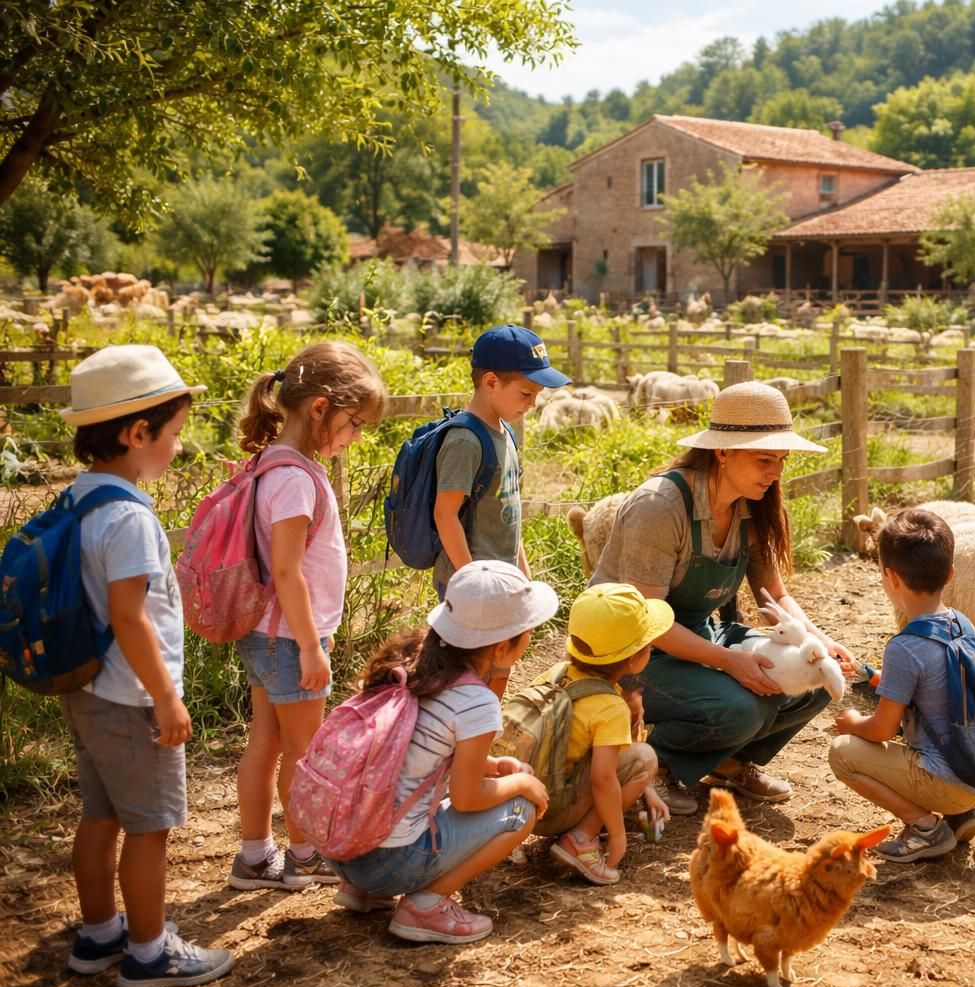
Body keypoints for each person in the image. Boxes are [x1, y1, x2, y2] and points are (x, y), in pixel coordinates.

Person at [57, 344, 233, 987]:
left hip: (88, 691)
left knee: (100, 816)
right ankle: (149, 954)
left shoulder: (77, 500)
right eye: (174, 435)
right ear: (137, 434)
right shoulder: (129, 518)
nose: (177, 449)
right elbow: (131, 617)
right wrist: (166, 696)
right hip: (133, 698)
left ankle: (99, 935)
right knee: (150, 828)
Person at [592, 381, 852, 814]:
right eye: (764, 459)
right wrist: (731, 662)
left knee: (819, 680)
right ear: (723, 452)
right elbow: (647, 622)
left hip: (696, 637)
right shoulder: (660, 506)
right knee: (741, 705)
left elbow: (775, 592)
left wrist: (818, 642)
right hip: (628, 656)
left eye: (781, 461)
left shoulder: (754, 505)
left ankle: (729, 762)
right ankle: (652, 766)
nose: (775, 473)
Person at [228, 343, 388, 891]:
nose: (356, 437)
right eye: (355, 423)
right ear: (320, 408)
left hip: (265, 634)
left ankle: (254, 856)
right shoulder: (295, 479)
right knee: (303, 750)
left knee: (265, 742)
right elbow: (288, 572)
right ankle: (302, 855)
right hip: (291, 638)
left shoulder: (274, 464)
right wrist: (312, 646)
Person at [329, 561, 555, 943]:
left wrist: (494, 765)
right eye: (528, 631)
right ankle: (426, 906)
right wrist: (519, 784)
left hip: (344, 852)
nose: (531, 636)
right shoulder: (475, 701)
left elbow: (415, 751)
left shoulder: (412, 666)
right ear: (502, 647)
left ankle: (365, 892)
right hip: (388, 863)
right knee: (522, 810)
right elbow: (467, 799)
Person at [829, 509, 975, 861]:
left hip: (949, 783)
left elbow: (882, 729)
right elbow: (934, 688)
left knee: (842, 753)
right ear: (950, 574)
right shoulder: (962, 623)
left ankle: (925, 827)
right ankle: (960, 814)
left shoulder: (904, 646)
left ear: (890, 577)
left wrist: (852, 722)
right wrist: (870, 675)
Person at [531, 583, 672, 885]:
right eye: (649, 644)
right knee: (645, 757)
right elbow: (603, 778)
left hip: (528, 803)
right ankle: (581, 840)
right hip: (554, 810)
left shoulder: (557, 674)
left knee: (635, 763)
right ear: (634, 659)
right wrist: (618, 834)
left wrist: (645, 789)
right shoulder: (609, 706)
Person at [433, 324, 570, 597]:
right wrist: (471, 583)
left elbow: (509, 515)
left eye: (537, 395)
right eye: (526, 394)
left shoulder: (505, 431)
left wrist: (524, 578)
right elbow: (445, 515)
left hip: (502, 581)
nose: (532, 404)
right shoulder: (465, 441)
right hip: (470, 585)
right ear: (491, 382)